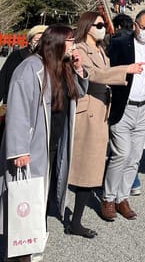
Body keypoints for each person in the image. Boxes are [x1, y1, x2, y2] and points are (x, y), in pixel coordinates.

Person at [0, 25, 88, 262]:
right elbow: (17, 109)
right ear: (58, 42)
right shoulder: (30, 68)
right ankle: (19, 249)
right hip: (32, 144)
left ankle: (34, 239)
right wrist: (19, 149)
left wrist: (79, 69)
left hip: (53, 141)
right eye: (71, 40)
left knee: (43, 193)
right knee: (23, 197)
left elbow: (78, 93)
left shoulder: (63, 66)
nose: (74, 45)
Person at [67, 12, 144, 238]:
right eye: (98, 24)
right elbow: (94, 74)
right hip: (90, 109)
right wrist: (126, 70)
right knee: (88, 166)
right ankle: (76, 219)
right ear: (88, 26)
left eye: (103, 24)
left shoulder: (100, 48)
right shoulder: (80, 49)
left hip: (102, 108)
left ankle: (78, 217)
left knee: (97, 163)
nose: (102, 27)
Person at [101, 10, 145, 221]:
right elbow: (108, 71)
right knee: (121, 153)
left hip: (143, 108)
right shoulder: (120, 44)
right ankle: (108, 197)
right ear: (136, 26)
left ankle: (123, 196)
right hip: (123, 105)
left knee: (135, 156)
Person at [0, 25, 48, 104]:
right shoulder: (16, 56)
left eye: (44, 40)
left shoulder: (50, 59)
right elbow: (3, 79)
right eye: (37, 40)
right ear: (29, 41)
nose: (40, 43)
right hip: (13, 101)